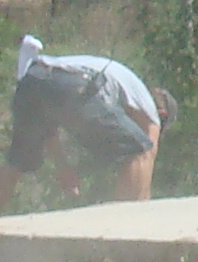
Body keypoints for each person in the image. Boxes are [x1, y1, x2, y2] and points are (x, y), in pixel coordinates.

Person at [6, 33, 172, 211]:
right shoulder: (149, 109)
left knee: (17, 163)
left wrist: (62, 166)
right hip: (76, 83)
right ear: (162, 114)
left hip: (32, 79)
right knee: (140, 150)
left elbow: (47, 125)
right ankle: (127, 226)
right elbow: (147, 151)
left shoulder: (126, 88)